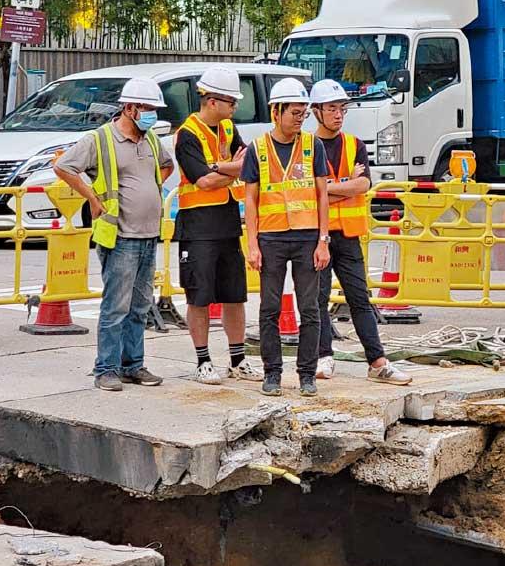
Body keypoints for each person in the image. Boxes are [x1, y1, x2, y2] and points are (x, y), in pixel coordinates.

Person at [55, 78, 174, 391]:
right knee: (116, 307)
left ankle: (133, 365)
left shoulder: (149, 140)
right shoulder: (101, 139)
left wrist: (150, 188)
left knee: (139, 306)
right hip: (120, 237)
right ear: (130, 107)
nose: (151, 115)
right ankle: (105, 369)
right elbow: (65, 167)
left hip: (148, 235)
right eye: (147, 108)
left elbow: (167, 165)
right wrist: (93, 198)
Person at [308, 79, 411, 386]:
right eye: (331, 109)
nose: (338, 115)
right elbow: (309, 192)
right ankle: (323, 356)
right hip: (318, 235)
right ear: (317, 112)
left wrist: (327, 188)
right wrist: (342, 186)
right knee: (318, 298)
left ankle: (377, 362)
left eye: (342, 108)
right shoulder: (305, 147)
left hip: (349, 235)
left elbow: (363, 185)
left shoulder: (355, 145)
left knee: (360, 298)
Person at [242, 78, 332, 397]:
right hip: (271, 239)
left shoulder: (312, 146)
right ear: (276, 111)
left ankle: (307, 374)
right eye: (294, 112)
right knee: (269, 308)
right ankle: (272, 374)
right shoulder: (258, 149)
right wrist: (252, 244)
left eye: (303, 113)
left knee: (310, 308)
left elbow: (322, 195)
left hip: (308, 237)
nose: (299, 118)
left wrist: (323, 240)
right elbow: (250, 200)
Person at [173, 66, 261, 385]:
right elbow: (204, 180)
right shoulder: (187, 134)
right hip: (197, 227)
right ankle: (203, 361)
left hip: (226, 223)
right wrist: (231, 167)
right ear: (212, 101)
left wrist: (224, 167)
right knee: (199, 296)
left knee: (234, 295)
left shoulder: (227, 128)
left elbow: (247, 161)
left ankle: (238, 359)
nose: (234, 107)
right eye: (230, 102)